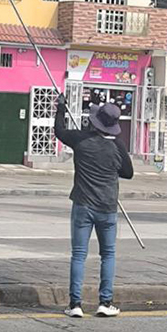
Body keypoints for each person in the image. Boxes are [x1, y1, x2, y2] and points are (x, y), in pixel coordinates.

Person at [54, 95, 133, 318]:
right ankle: (105, 302)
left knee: (79, 254)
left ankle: (75, 304)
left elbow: (60, 132)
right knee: (108, 255)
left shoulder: (81, 140)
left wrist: (60, 108)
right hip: (107, 207)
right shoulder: (117, 146)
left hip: (83, 204)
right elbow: (128, 172)